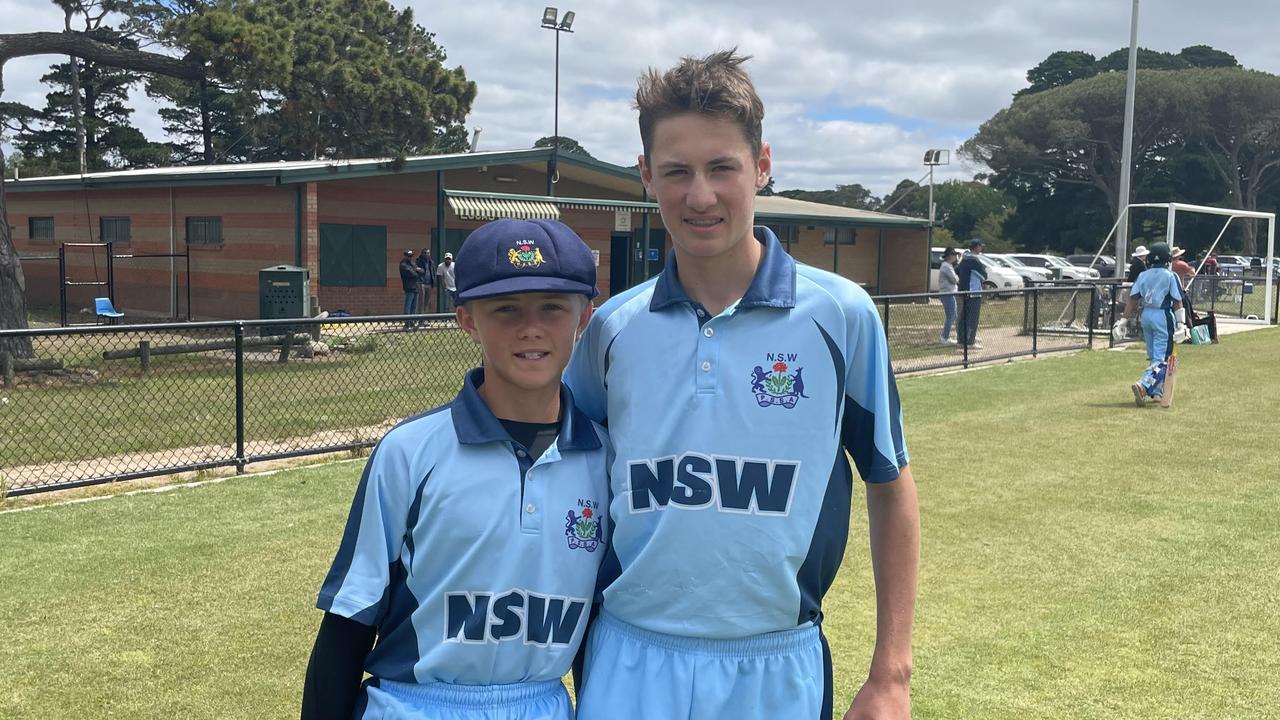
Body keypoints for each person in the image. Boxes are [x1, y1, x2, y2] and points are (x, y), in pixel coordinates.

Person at [565, 49, 918, 720]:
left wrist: (891, 676)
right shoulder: (612, 329)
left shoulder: (842, 317)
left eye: (721, 167)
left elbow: (889, 482)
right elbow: (567, 488)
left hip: (774, 662)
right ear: (646, 177)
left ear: (761, 166)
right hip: (628, 657)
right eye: (676, 172)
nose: (700, 196)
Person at [301, 218, 609, 720]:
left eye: (553, 306)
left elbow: (596, 628)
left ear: (584, 316)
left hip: (542, 703)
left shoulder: (604, 460)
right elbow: (348, 621)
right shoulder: (410, 452)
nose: (531, 327)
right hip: (414, 703)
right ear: (466, 319)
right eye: (505, 308)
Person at [1118, 242, 1184, 405]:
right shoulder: (1170, 276)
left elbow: (1133, 299)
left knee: (1154, 355)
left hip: (1146, 315)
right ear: (1168, 258)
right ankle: (1143, 384)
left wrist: (1123, 320)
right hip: (1162, 314)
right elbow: (1177, 301)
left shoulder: (1143, 275)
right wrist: (1182, 323)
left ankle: (1156, 392)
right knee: (1164, 358)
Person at [955, 238, 987, 350]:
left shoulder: (963, 259)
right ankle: (970, 342)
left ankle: (961, 340)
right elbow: (984, 275)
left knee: (963, 317)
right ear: (977, 247)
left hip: (963, 291)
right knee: (972, 318)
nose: (981, 248)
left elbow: (957, 270)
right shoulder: (974, 260)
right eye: (980, 246)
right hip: (973, 292)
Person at [938, 247, 959, 343]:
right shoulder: (946, 266)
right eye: (954, 255)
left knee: (953, 316)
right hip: (947, 294)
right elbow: (954, 279)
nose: (956, 257)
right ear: (950, 256)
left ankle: (946, 336)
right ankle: (944, 337)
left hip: (950, 293)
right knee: (950, 316)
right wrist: (957, 277)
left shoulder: (949, 266)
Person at [398, 250, 423, 328]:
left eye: (411, 256)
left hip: (415, 287)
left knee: (414, 307)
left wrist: (417, 270)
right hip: (409, 287)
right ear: (405, 256)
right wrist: (416, 270)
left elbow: (422, 271)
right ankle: (407, 323)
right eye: (408, 256)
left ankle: (412, 322)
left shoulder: (412, 264)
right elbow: (413, 274)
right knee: (408, 306)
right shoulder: (403, 265)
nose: (410, 257)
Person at [415, 247, 435, 313]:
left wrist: (433, 281)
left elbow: (433, 272)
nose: (427, 254)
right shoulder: (418, 260)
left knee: (426, 302)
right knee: (421, 302)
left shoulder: (431, 262)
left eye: (428, 253)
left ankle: (424, 318)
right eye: (425, 253)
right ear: (422, 254)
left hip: (429, 283)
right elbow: (416, 270)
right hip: (421, 283)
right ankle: (421, 320)